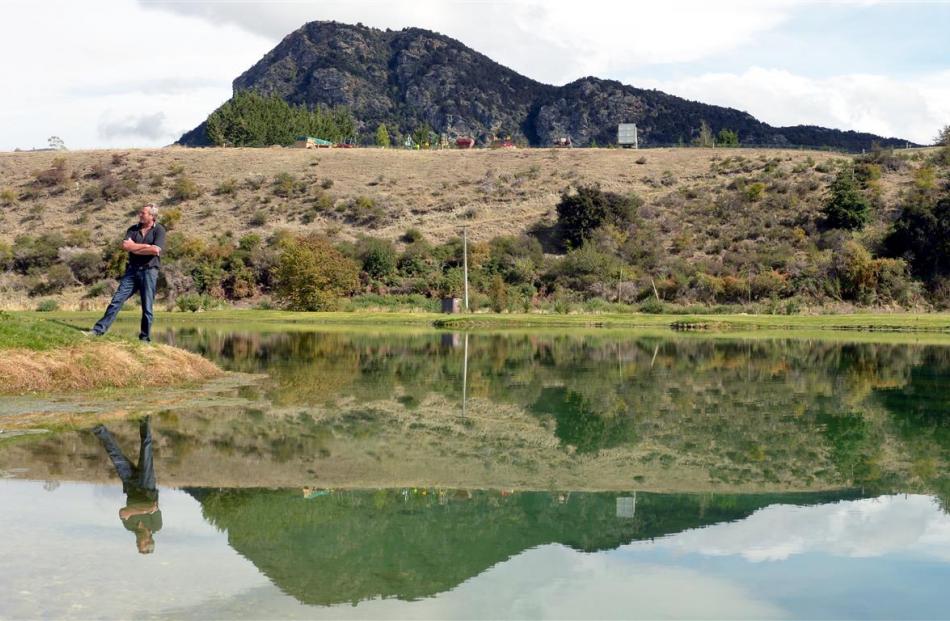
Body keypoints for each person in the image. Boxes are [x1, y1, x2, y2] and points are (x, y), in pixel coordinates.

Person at [90, 203, 166, 342]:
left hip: (149, 272)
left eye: (143, 213)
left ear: (152, 216)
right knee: (116, 301)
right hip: (132, 271)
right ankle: (98, 330)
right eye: (140, 212)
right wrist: (145, 247)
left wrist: (135, 247)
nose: (140, 215)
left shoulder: (159, 230)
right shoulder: (132, 229)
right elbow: (125, 246)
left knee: (147, 307)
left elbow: (156, 250)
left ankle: (144, 339)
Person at [92, 417, 162, 555]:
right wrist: (138, 510)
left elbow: (123, 512)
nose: (137, 543)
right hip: (147, 484)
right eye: (140, 545)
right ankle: (144, 417)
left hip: (130, 485)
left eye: (137, 545)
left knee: (114, 455)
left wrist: (143, 510)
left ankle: (97, 427)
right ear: (148, 541)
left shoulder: (130, 527)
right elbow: (152, 505)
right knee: (146, 448)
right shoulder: (156, 525)